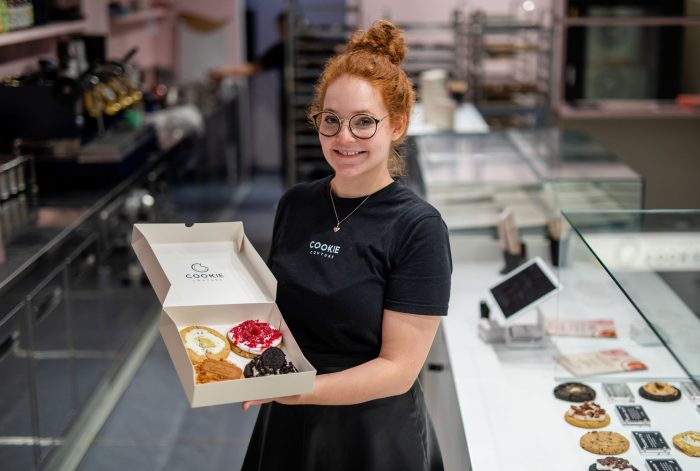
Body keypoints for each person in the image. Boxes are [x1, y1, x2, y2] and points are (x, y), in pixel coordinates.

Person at [241, 20, 452, 471]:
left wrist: (302, 391)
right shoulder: (296, 204)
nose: (343, 138)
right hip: (288, 420)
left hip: (371, 433)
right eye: (330, 120)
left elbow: (398, 369)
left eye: (363, 123)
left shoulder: (418, 227)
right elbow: (274, 316)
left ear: (396, 125)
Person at [210, 11, 288, 178]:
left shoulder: (312, 45)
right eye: (280, 29)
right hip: (290, 105)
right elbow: (253, 67)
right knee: (290, 148)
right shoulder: (281, 49)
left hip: (318, 105)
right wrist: (223, 72)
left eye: (285, 29)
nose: (283, 33)